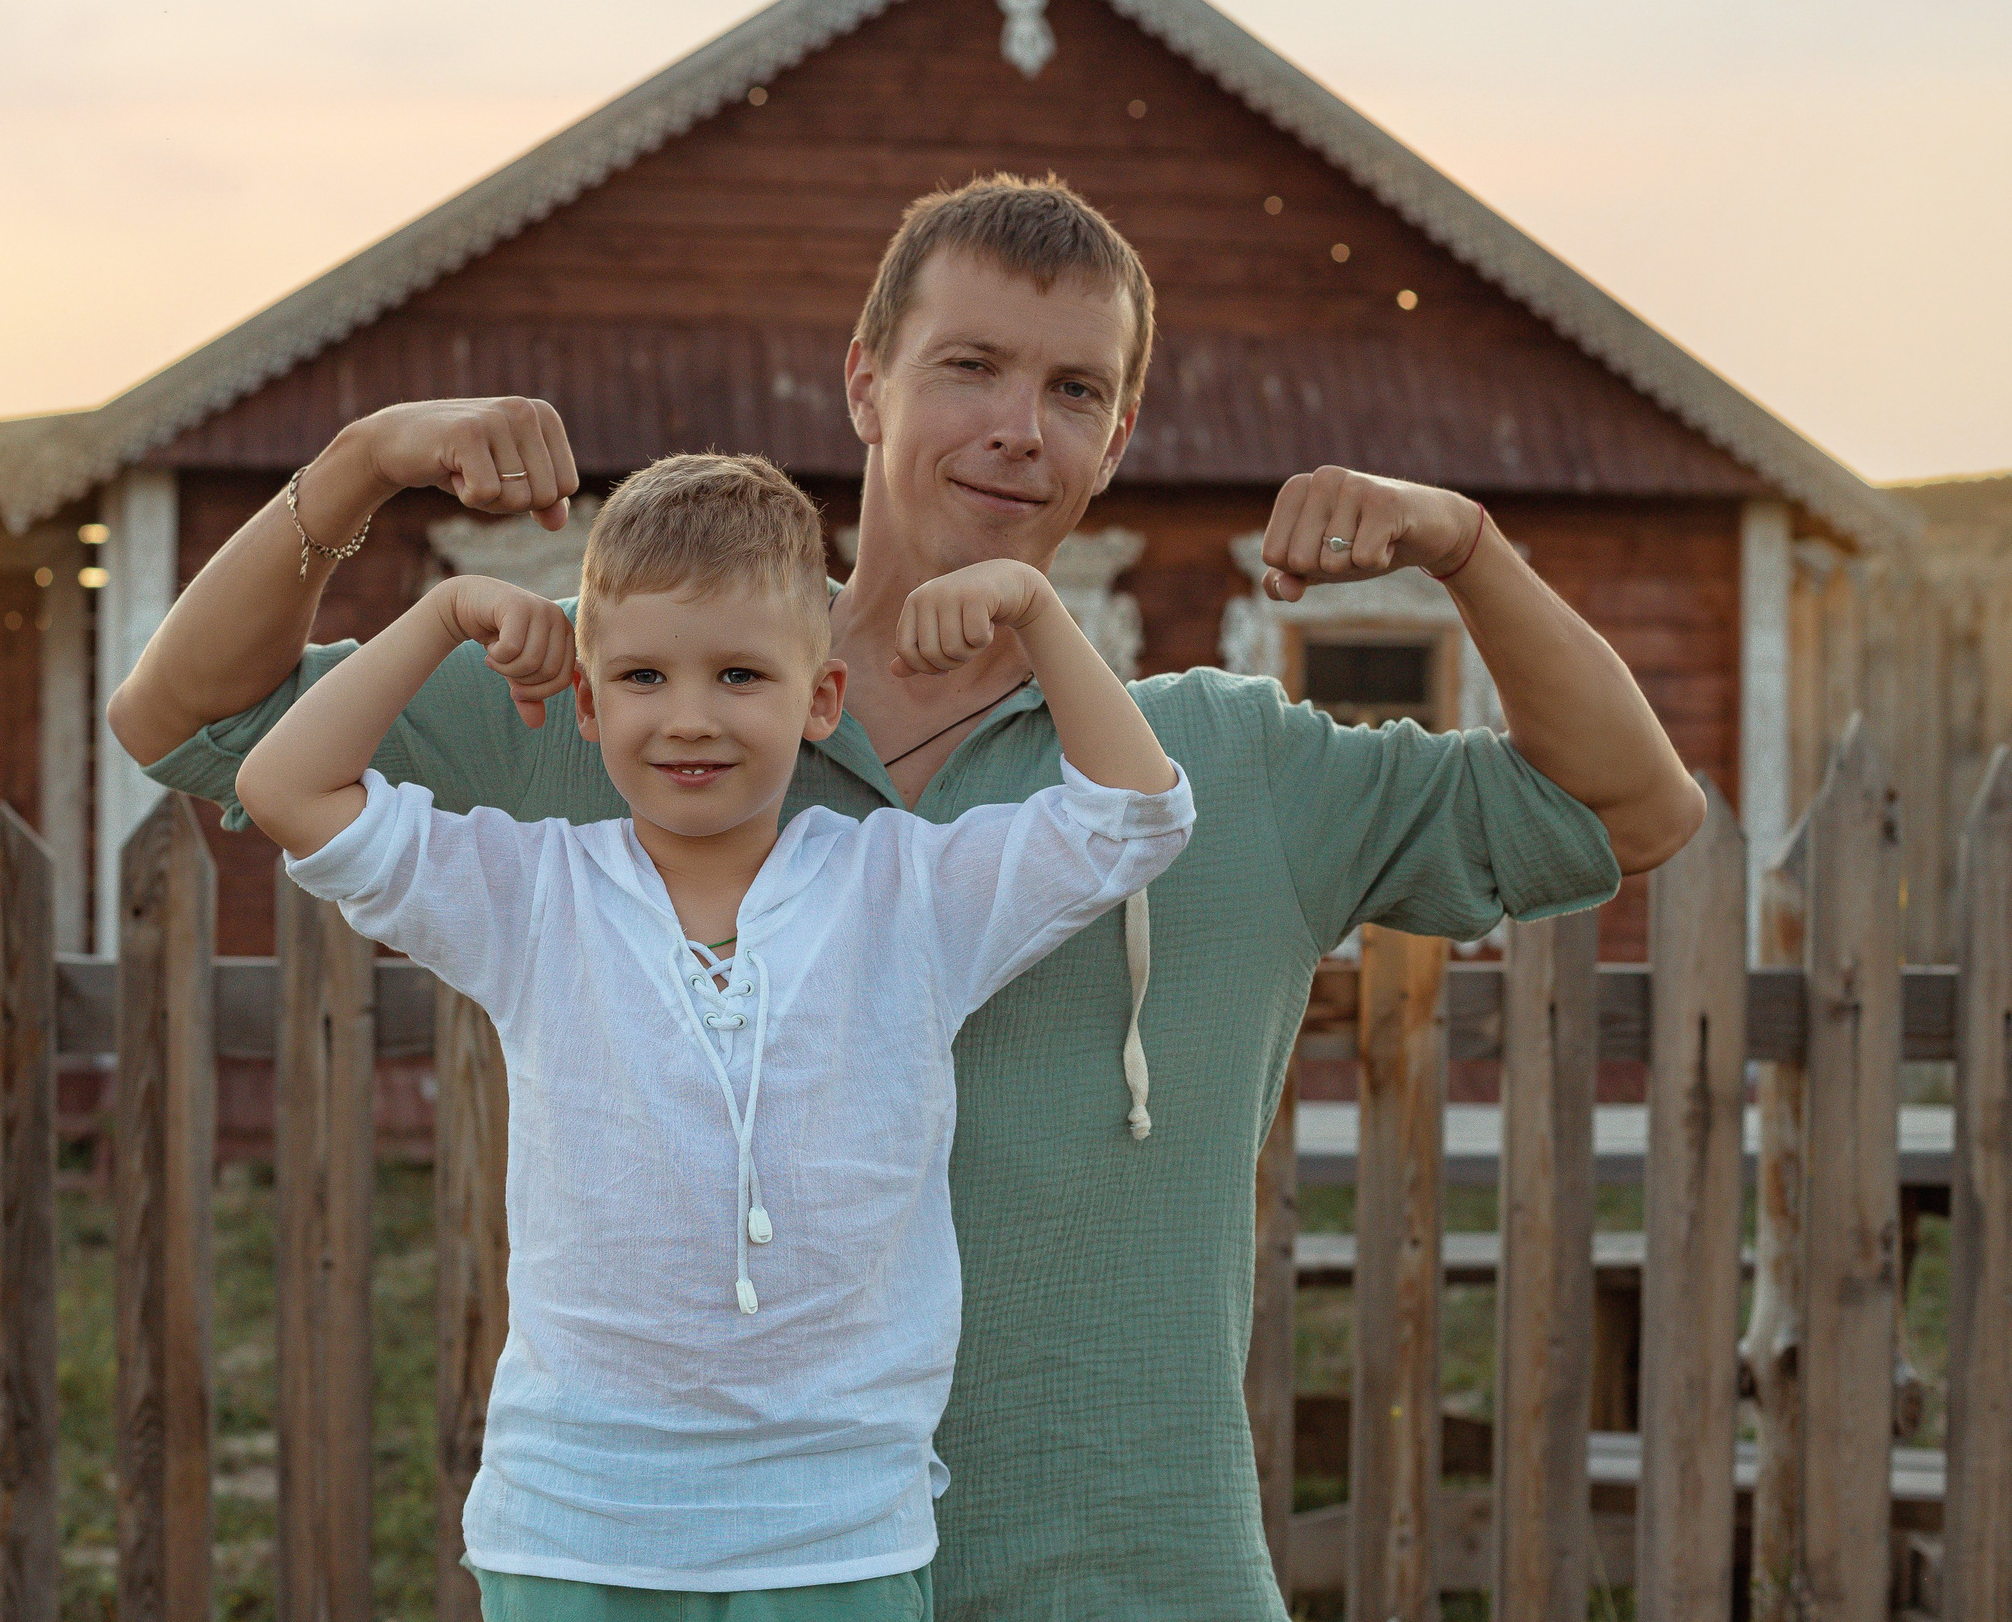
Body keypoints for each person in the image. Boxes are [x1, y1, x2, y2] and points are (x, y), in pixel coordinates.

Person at [109, 174, 1707, 1619]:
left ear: (1117, 439)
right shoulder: (643, 699)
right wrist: (368, 462)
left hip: (1132, 1568)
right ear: (866, 380)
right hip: (721, 1564)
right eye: (972, 366)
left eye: (1076, 389)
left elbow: (1625, 809)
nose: (1022, 425)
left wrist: (1472, 549)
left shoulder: (1229, 759)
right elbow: (185, 722)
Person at [238, 454, 1195, 1617]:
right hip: (576, 1524)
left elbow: (1135, 821)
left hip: (837, 1530)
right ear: (588, 709)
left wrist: (1037, 613)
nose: (689, 717)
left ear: (821, 699)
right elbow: (286, 787)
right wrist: (443, 614)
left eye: (741, 673)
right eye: (641, 675)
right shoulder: (531, 895)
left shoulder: (909, 894)